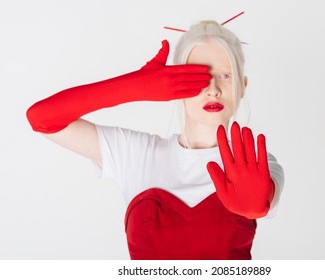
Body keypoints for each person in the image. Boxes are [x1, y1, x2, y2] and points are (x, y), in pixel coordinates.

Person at [26, 19, 284, 260]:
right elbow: (42, 118)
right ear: (175, 82)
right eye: (198, 75)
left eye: (225, 76)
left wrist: (257, 205)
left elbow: (264, 197)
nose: (213, 89)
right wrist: (133, 87)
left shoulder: (257, 165)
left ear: (243, 85)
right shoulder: (135, 154)